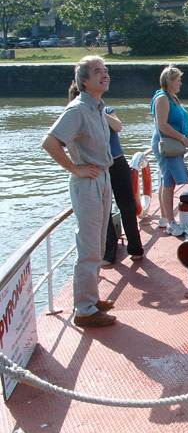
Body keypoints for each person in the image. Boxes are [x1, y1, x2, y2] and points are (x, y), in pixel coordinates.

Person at [42, 56, 117, 327]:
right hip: (88, 182)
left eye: (106, 71)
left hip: (102, 178)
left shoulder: (98, 108)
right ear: (84, 81)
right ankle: (84, 310)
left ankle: (91, 298)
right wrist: (75, 169)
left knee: (97, 244)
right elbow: (50, 142)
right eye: (98, 72)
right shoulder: (77, 109)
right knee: (88, 246)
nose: (105, 75)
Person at [67, 83, 144, 266]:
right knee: (104, 211)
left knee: (127, 206)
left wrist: (100, 111)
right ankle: (109, 252)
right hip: (98, 167)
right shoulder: (77, 117)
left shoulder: (106, 110)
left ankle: (135, 248)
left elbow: (118, 126)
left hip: (117, 163)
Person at [150, 65, 188, 236]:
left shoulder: (171, 97)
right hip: (167, 145)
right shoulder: (163, 98)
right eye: (178, 80)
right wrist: (182, 138)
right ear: (170, 81)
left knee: (166, 179)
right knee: (169, 181)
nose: (181, 83)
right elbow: (162, 125)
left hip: (172, 145)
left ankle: (164, 217)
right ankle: (171, 222)